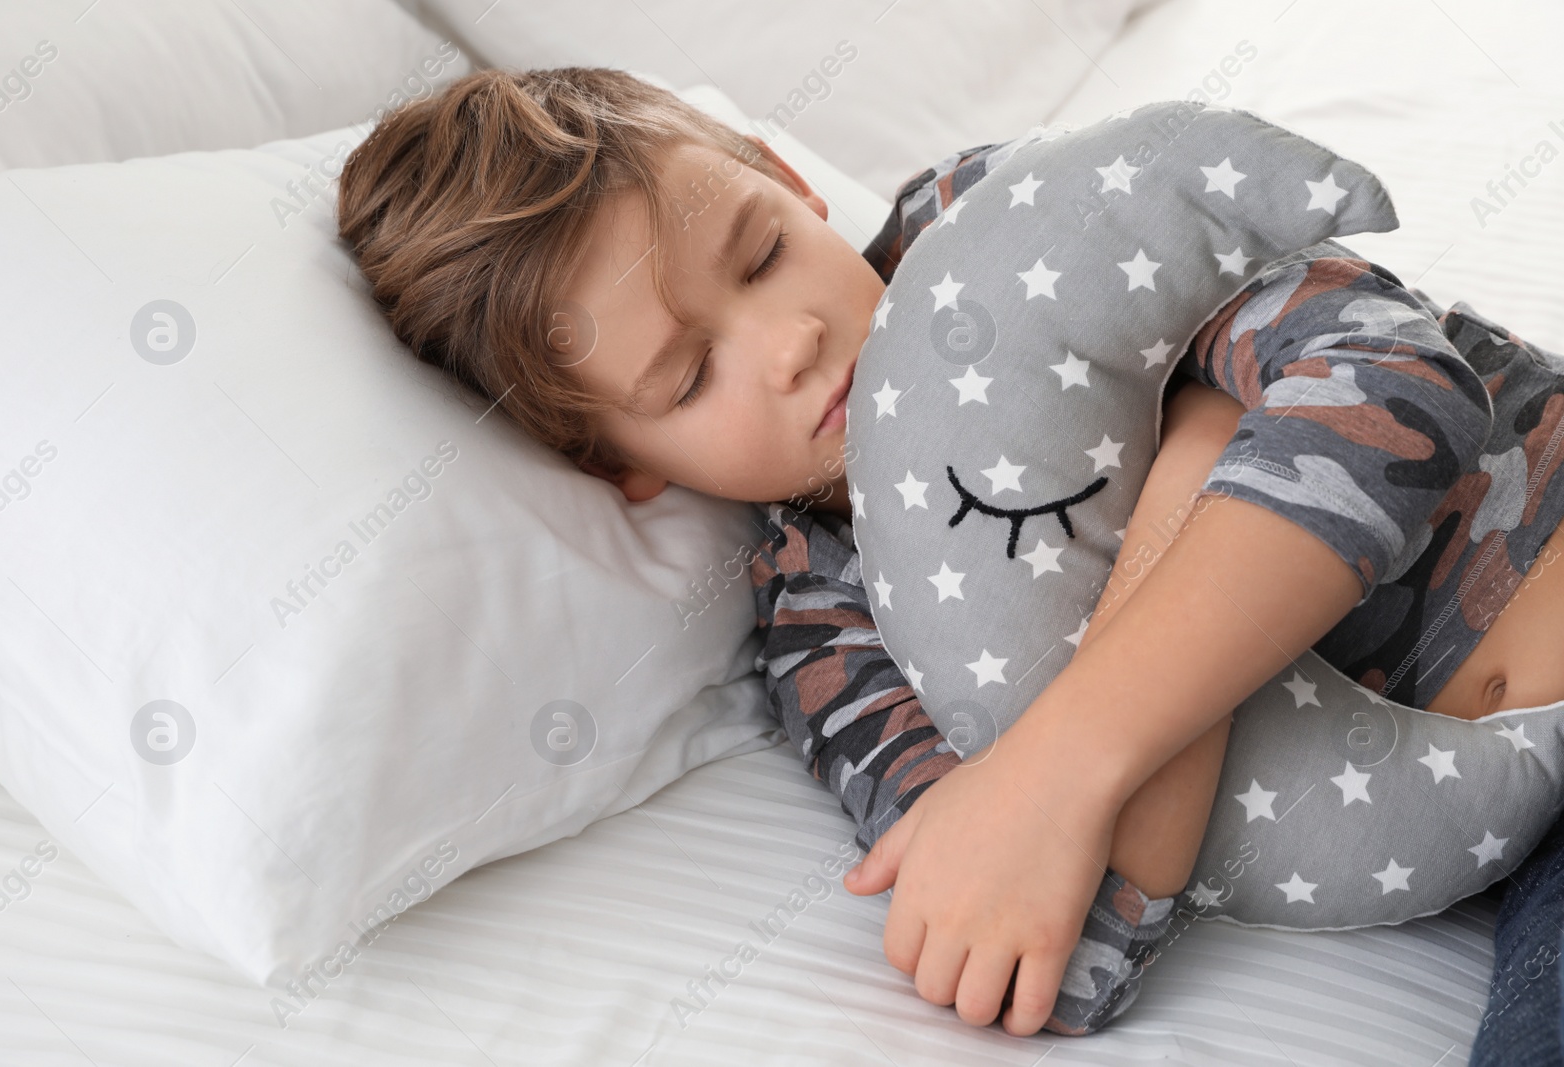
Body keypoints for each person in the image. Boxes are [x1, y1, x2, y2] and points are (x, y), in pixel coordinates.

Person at [334, 66, 1564, 1043]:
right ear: (617, 466)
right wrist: (1188, 465)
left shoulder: (992, 228)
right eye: (687, 374)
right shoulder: (826, 627)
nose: (785, 343)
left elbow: (1396, 388)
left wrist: (1062, 758)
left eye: (758, 253)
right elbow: (1052, 951)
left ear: (781, 177)